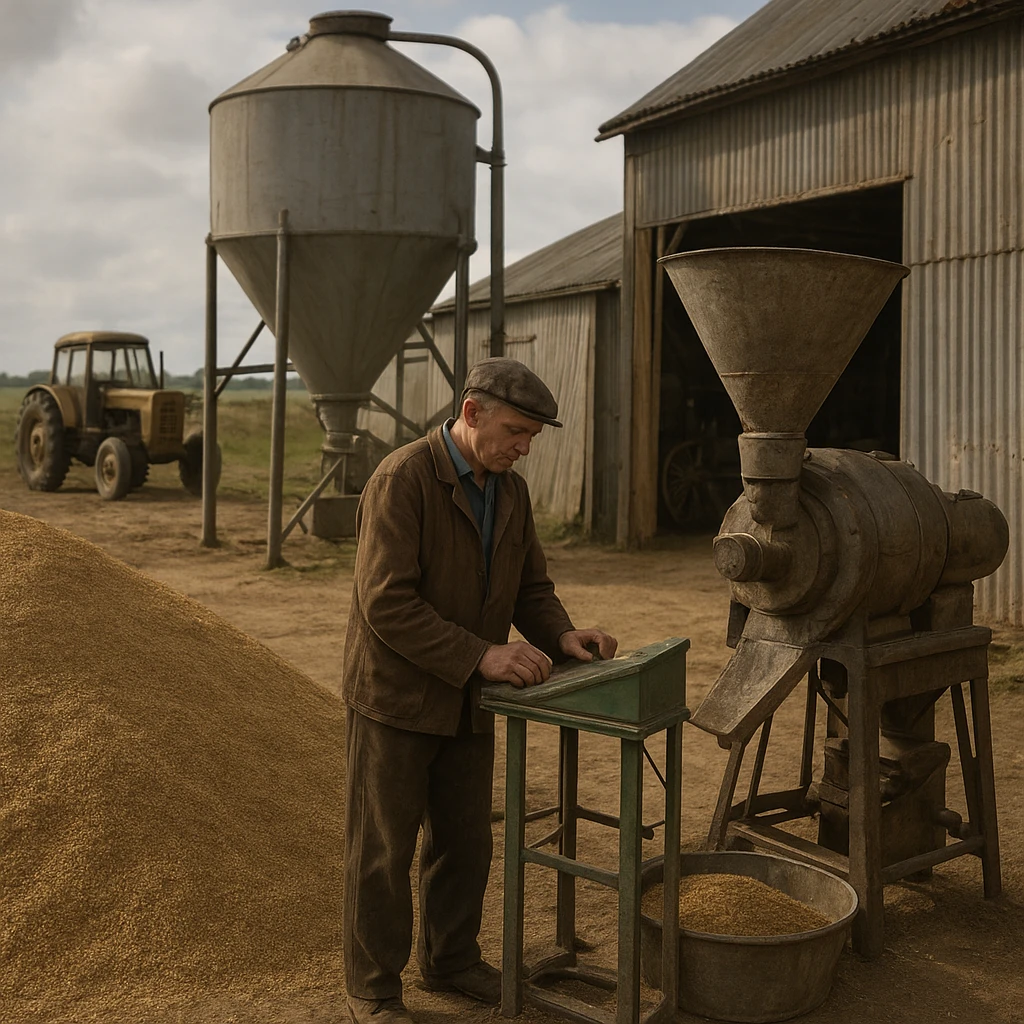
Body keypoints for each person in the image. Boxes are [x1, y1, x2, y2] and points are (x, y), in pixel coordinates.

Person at [342, 357, 617, 1024]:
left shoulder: (509, 492)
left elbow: (530, 589)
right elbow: (387, 603)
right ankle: (374, 990)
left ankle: (452, 960)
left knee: (466, 840)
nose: (525, 448)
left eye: (532, 437)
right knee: (384, 850)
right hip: (396, 699)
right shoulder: (403, 479)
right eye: (517, 432)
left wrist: (562, 637)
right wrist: (483, 654)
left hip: (468, 695)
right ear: (472, 414)